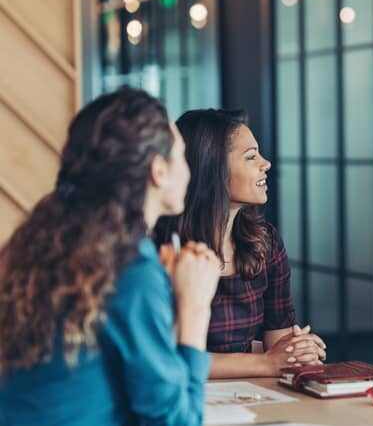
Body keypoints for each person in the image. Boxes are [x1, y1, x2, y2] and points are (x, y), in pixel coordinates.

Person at [0, 88, 221, 425]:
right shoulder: (131, 266)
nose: (189, 170)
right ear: (158, 171)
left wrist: (168, 306)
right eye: (182, 156)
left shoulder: (43, 245)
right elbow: (176, 421)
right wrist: (195, 307)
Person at [155, 109, 326, 378]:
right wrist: (267, 363)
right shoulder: (162, 249)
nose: (266, 163)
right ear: (212, 168)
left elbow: (278, 342)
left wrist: (297, 350)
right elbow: (162, 357)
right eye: (251, 156)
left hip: (252, 397)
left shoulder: (265, 241)